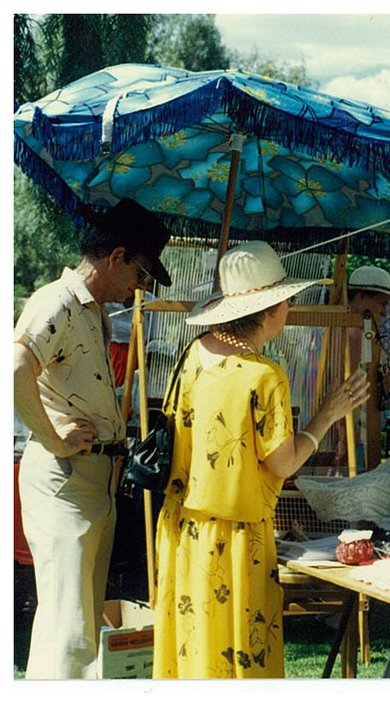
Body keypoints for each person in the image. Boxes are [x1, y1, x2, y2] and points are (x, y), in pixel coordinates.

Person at [152, 241, 369, 678]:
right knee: (239, 666)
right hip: (235, 540)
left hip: (183, 529)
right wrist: (328, 413)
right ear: (268, 309)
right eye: (286, 299)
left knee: (193, 660)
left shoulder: (192, 355)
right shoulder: (263, 375)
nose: (290, 307)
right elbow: (282, 464)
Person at [13, 198, 173, 678]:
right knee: (70, 628)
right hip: (65, 479)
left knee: (81, 624)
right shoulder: (57, 300)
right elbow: (15, 365)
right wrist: (55, 437)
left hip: (93, 480)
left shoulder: (93, 311)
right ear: (115, 256)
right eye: (141, 273)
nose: (140, 286)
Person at [335, 265, 390, 465]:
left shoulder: (358, 329)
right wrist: (345, 431)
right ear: (362, 297)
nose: (384, 311)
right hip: (353, 423)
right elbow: (341, 386)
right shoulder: (353, 332)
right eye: (381, 303)